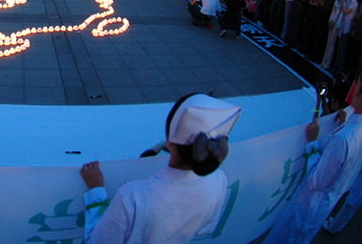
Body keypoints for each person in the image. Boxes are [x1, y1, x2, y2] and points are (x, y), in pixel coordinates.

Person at [80, 93, 241, 244]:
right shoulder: (219, 179)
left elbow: (96, 241)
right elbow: (206, 227)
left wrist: (96, 191)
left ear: (170, 142)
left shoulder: (133, 196)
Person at [263, 75, 362, 244]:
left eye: (357, 84)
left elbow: (317, 181)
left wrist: (312, 142)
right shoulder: (351, 130)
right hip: (325, 203)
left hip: (308, 206)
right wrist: (341, 127)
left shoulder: (343, 139)